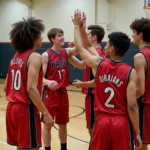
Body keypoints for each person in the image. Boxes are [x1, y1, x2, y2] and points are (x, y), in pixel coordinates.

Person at [73, 10, 142, 150]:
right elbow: (132, 106)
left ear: (111, 48)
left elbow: (80, 48)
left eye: (106, 44)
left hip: (102, 122)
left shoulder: (99, 64)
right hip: (121, 123)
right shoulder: (131, 72)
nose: (103, 46)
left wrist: (75, 26)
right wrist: (138, 132)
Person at [5, 17, 53, 150]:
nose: (42, 38)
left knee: (21, 146)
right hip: (25, 110)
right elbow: (31, 89)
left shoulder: (15, 57)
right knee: (32, 148)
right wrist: (45, 112)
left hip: (11, 108)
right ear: (32, 38)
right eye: (40, 35)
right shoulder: (34, 56)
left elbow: (6, 87)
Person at [42, 28, 85, 150]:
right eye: (59, 36)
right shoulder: (46, 55)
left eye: (63, 35)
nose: (62, 38)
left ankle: (63, 148)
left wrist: (79, 35)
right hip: (50, 94)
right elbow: (39, 78)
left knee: (63, 125)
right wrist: (48, 81)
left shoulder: (66, 52)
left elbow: (81, 62)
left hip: (63, 93)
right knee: (48, 124)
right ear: (52, 39)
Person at [73, 24, 105, 136]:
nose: (84, 36)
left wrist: (82, 84)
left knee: (93, 128)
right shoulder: (97, 53)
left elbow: (97, 81)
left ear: (93, 38)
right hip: (96, 95)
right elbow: (81, 65)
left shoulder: (96, 54)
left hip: (94, 95)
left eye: (86, 35)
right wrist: (67, 55)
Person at [130, 17, 150, 150]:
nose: (132, 35)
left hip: (145, 105)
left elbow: (140, 90)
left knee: (140, 144)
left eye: (133, 32)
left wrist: (126, 99)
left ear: (140, 34)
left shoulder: (140, 56)